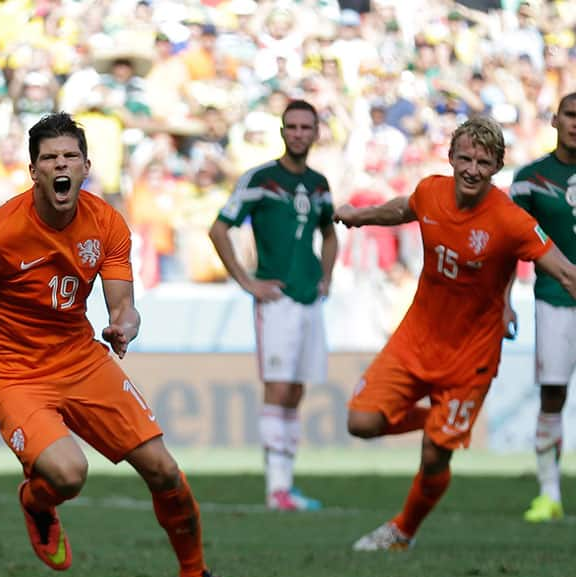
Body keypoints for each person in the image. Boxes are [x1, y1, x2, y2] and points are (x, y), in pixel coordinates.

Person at [0, 113, 243, 577]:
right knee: (68, 473)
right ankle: (37, 502)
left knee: (163, 469)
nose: (61, 165)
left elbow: (123, 304)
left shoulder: (107, 222)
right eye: (49, 158)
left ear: (87, 165)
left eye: (70, 156)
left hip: (78, 357)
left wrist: (124, 326)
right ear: (33, 171)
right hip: (11, 369)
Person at [334, 116, 576, 550]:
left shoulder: (511, 220)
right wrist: (361, 215)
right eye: (464, 157)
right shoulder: (430, 190)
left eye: (483, 162)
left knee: (433, 458)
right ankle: (441, 422)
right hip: (415, 341)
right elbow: (403, 209)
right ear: (450, 157)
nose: (471, 168)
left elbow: (563, 270)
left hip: (471, 358)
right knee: (361, 422)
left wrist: (505, 303)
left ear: (497, 167)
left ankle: (402, 531)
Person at [207, 99, 338, 511]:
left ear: (316, 133)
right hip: (276, 300)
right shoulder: (261, 179)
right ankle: (275, 488)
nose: (299, 133)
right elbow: (218, 229)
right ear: (282, 132)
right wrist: (248, 282)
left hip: (308, 299)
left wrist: (327, 275)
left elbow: (330, 233)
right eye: (292, 126)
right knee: (278, 388)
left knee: (296, 389)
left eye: (306, 127)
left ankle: (286, 486)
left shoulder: (319, 184)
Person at [509, 93, 576, 523]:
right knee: (553, 393)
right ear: (555, 120)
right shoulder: (531, 177)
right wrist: (501, 302)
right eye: (571, 115)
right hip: (555, 301)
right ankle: (549, 493)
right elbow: (506, 242)